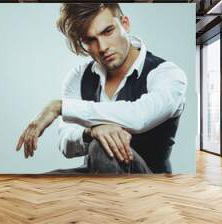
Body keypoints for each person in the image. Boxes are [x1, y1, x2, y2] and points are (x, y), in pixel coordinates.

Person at [16, 3, 187, 174]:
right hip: (95, 173)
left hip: (150, 183)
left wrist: (59, 107)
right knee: (36, 186)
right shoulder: (79, 77)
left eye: (108, 31)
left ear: (125, 24)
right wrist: (91, 132)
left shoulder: (168, 73)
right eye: (90, 40)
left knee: (103, 147)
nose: (103, 47)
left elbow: (139, 116)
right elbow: (66, 143)